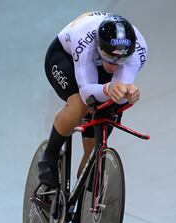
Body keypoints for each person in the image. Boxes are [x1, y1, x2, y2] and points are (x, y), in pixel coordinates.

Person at [39, 12, 148, 189]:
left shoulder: (137, 52)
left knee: (110, 108)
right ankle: (49, 157)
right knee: (80, 104)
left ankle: (82, 196)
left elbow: (119, 94)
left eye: (121, 59)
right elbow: (86, 93)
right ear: (98, 46)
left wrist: (128, 94)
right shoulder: (85, 41)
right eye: (110, 56)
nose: (114, 64)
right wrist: (107, 88)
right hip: (64, 57)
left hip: (98, 62)